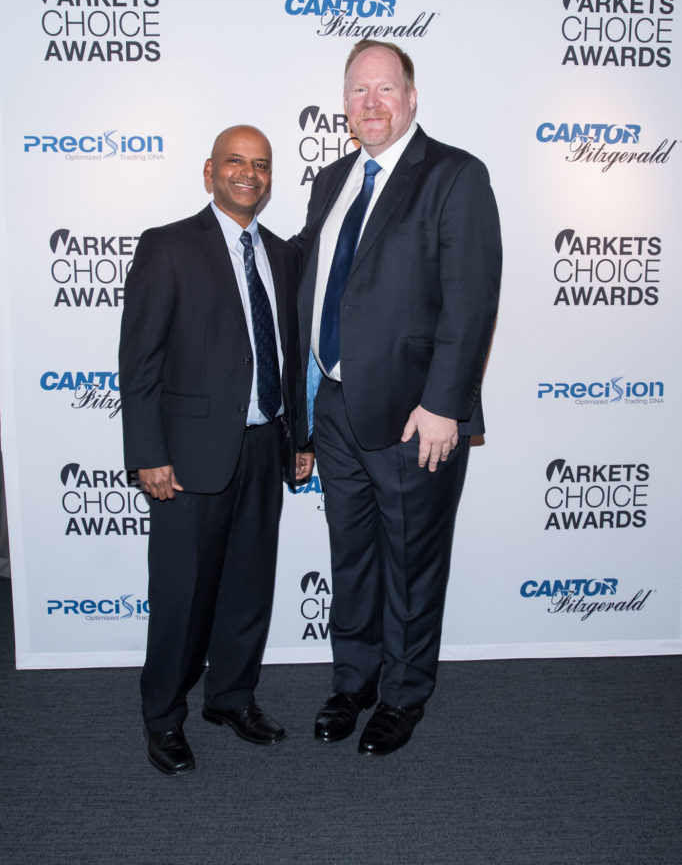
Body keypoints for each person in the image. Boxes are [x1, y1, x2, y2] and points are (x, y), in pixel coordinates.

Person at [295, 41, 502, 756]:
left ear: (411, 98)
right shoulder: (331, 181)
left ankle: (404, 694)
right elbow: (312, 279)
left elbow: (471, 301)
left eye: (385, 88)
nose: (372, 102)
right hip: (335, 407)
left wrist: (445, 404)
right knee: (350, 554)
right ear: (344, 105)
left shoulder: (454, 175)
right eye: (358, 91)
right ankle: (353, 682)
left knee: (412, 561)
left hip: (417, 415)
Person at [119, 125, 312, 775]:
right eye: (235, 161)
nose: (248, 174)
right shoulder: (169, 246)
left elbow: (289, 354)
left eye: (261, 165)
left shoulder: (281, 254)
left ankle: (231, 697)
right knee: (183, 596)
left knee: (248, 588)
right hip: (187, 458)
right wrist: (148, 453)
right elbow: (140, 362)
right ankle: (163, 717)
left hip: (264, 446)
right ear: (210, 172)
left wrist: (299, 437)